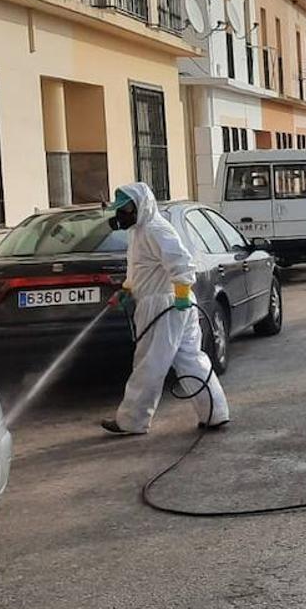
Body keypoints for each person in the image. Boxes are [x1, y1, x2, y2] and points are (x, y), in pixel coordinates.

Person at [101, 182, 230, 435]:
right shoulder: (138, 232)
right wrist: (127, 290)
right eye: (119, 210)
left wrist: (181, 291)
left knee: (150, 363)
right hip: (170, 303)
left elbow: (181, 261)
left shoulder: (155, 229)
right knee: (190, 359)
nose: (121, 215)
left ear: (142, 206)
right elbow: (140, 270)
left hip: (165, 304)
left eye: (126, 209)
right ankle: (215, 414)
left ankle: (132, 421)